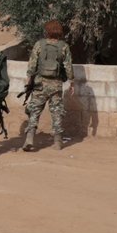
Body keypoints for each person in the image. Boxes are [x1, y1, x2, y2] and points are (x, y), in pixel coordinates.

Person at [24, 20, 74, 151]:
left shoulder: (39, 44)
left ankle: (29, 139)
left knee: (34, 111)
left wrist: (28, 79)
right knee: (57, 113)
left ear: (47, 31)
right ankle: (57, 142)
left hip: (40, 84)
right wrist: (71, 82)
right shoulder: (63, 46)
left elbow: (32, 63)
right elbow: (68, 66)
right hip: (56, 85)